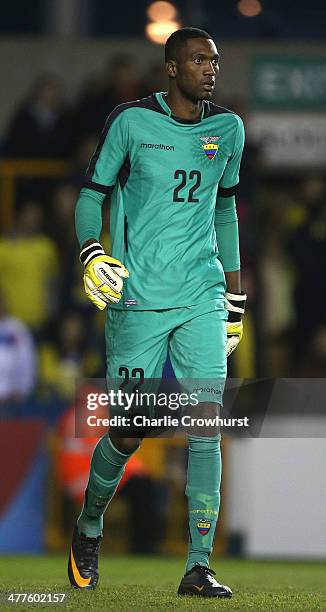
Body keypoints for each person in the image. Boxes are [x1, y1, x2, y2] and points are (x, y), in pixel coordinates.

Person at [69, 27, 246, 598]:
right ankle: (89, 525)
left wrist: (235, 300)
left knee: (205, 426)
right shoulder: (131, 122)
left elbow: (226, 213)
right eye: (197, 60)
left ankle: (198, 565)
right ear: (171, 68)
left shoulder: (228, 129)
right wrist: (92, 250)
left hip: (202, 294)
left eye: (214, 61)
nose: (209, 69)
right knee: (130, 429)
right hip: (138, 297)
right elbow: (90, 194)